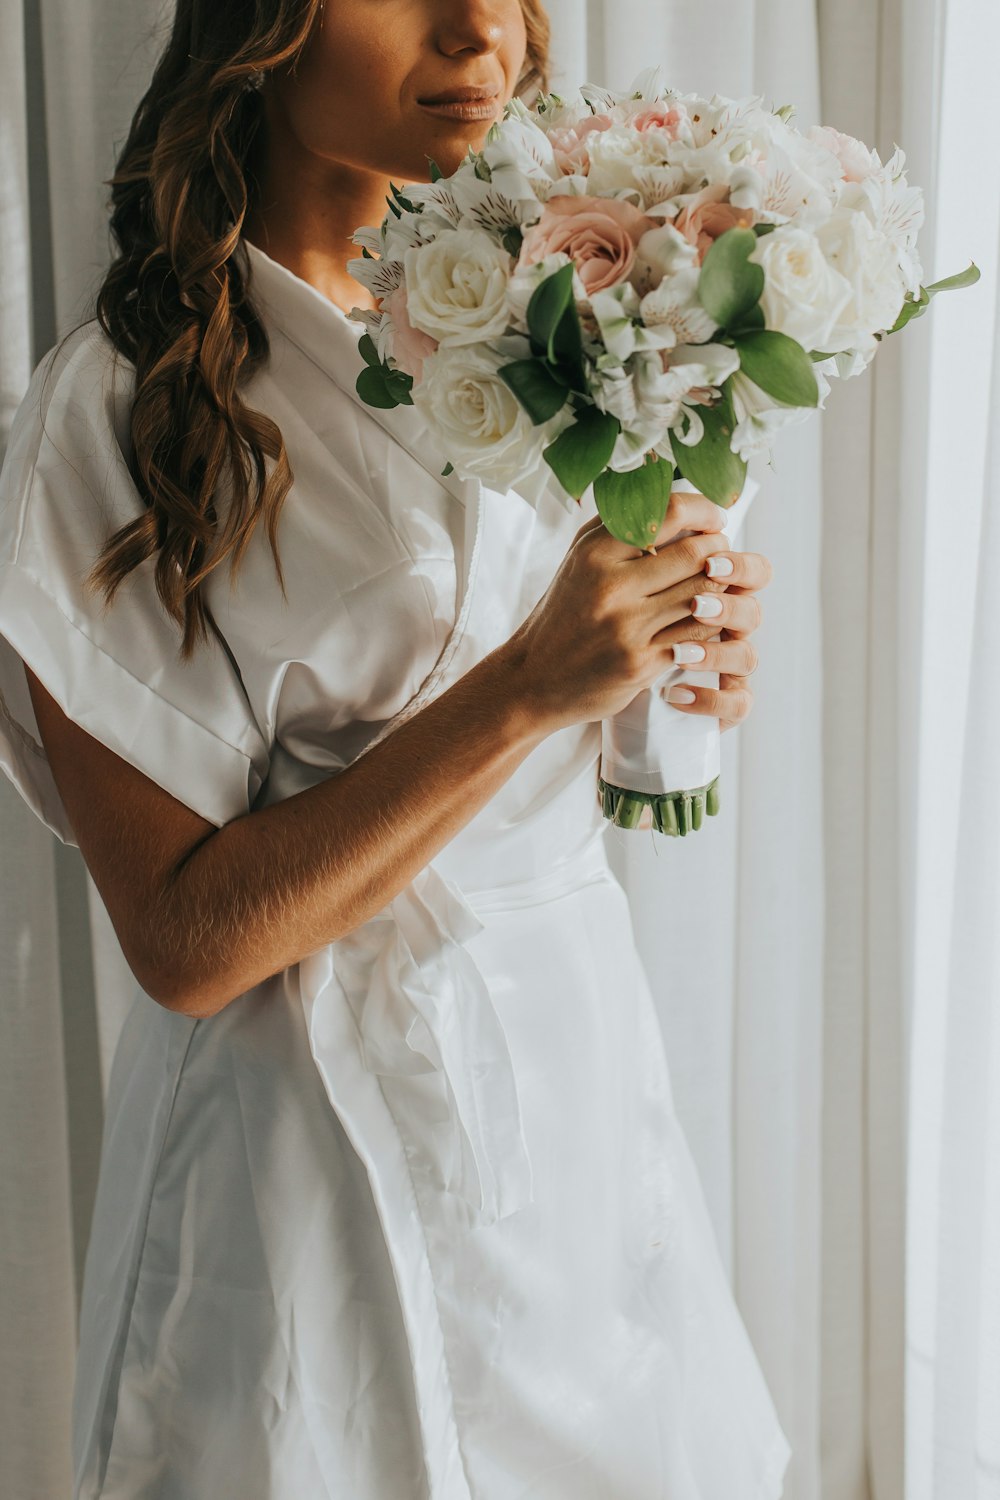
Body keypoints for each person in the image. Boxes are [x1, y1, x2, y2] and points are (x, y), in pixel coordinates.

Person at [0, 0, 792, 1495]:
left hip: (568, 1078)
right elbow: (182, 940)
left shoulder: (563, 308)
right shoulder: (112, 410)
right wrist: (524, 688)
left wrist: (679, 637)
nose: (478, 24)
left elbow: (616, 741)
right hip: (297, 1143)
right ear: (261, 26)